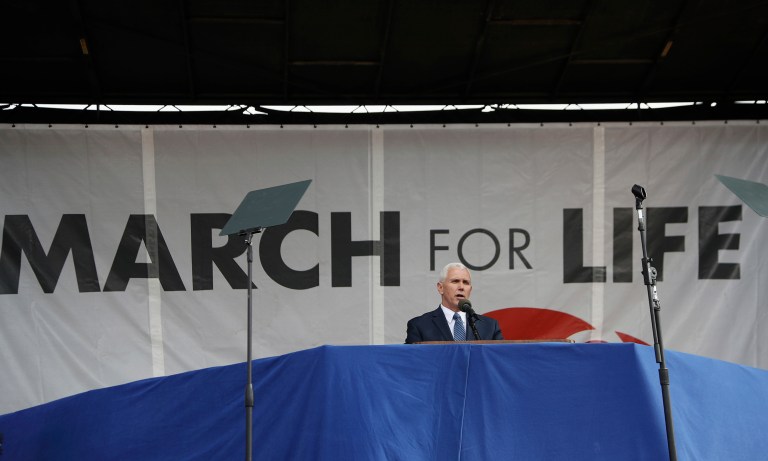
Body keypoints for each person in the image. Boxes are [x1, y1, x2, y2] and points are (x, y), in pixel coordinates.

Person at [405, 262, 504, 343]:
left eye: (466, 282)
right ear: (440, 288)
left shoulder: (489, 326)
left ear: (470, 289)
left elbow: (500, 359)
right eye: (455, 281)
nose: (461, 287)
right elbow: (413, 362)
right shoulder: (420, 326)